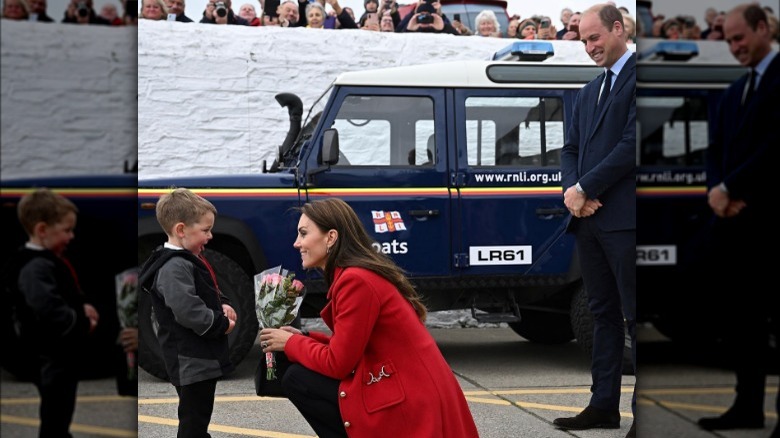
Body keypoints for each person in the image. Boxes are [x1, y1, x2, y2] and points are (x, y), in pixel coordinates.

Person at [259, 198, 479, 438]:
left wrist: (291, 343)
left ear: (331, 237)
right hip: (410, 387)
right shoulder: (356, 275)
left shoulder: (355, 281)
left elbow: (338, 363)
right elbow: (350, 347)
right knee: (298, 373)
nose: (296, 243)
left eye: (303, 233)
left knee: (297, 379)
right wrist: (304, 337)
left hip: (412, 401)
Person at [696, 4, 778, 435]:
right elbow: (715, 151)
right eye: (727, 40)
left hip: (770, 224)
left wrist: (732, 189)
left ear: (764, 27)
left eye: (739, 38)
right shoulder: (735, 90)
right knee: (742, 324)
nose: (734, 47)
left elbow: (775, 147)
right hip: (737, 228)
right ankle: (747, 408)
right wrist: (718, 192)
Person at [556, 3, 636, 438]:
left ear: (618, 29)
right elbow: (569, 150)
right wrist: (573, 195)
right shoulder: (588, 92)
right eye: (583, 40)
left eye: (594, 37)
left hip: (626, 221)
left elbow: (632, 144)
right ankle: (603, 405)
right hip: (589, 222)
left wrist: (585, 188)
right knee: (603, 314)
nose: (589, 47)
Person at [138, 188, 237, 438]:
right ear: (181, 230)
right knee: (193, 420)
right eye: (205, 230)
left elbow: (207, 289)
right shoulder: (174, 267)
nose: (210, 235)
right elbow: (187, 310)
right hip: (191, 360)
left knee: (198, 418)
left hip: (199, 359)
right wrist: (220, 324)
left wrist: (222, 302)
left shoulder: (189, 257)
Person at [2, 188, 100, 438]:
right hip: (50, 356)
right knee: (56, 414)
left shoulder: (44, 259)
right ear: (42, 229)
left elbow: (60, 297)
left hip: (53, 355)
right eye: (66, 230)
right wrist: (81, 321)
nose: (71, 236)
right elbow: (48, 309)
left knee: (58, 414)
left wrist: (80, 306)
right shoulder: (35, 267)